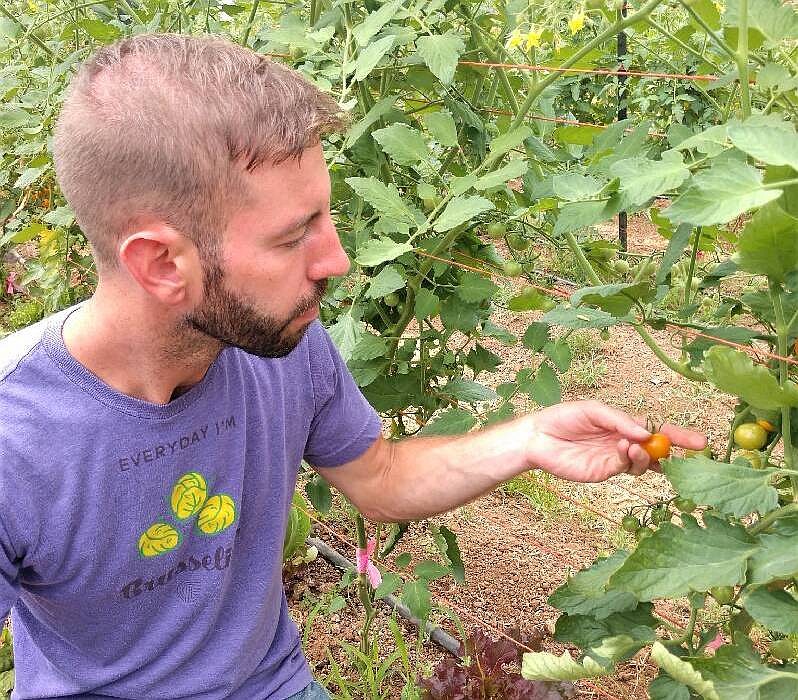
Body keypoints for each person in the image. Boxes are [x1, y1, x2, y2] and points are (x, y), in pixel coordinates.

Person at [0, 33, 706, 700]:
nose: (335, 261)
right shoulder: (16, 435)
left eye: (325, 217)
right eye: (291, 237)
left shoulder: (277, 340)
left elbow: (380, 478)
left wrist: (527, 440)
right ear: (160, 264)